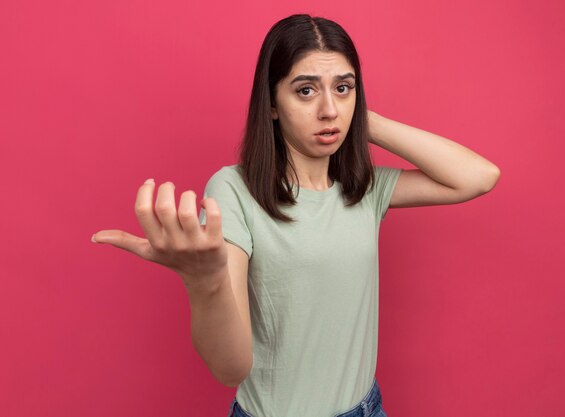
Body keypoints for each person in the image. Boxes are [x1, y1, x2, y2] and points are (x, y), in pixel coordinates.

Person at [92, 14, 500, 417]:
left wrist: (359, 119)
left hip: (366, 409)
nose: (328, 110)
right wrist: (205, 283)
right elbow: (229, 367)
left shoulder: (364, 187)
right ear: (271, 104)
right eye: (305, 91)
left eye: (343, 88)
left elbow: (478, 177)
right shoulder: (234, 190)